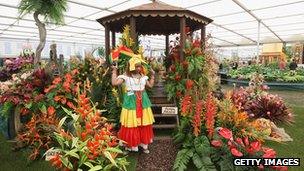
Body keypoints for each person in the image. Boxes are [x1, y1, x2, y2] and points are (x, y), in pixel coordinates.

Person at [111, 56, 155, 153]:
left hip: (143, 101)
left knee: (144, 123)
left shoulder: (143, 77)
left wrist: (152, 75)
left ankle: (143, 144)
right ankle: (130, 145)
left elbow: (150, 85)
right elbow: (114, 83)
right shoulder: (125, 77)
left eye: (139, 66)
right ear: (131, 66)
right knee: (131, 123)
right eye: (136, 66)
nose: (139, 68)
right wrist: (114, 71)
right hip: (130, 102)